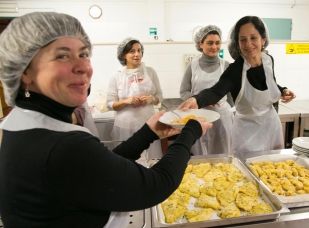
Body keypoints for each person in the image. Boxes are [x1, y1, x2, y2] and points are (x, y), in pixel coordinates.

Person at [0, 12, 211, 227]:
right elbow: (155, 186)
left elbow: (103, 168)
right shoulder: (61, 145)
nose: (83, 67)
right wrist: (190, 132)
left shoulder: (23, 124)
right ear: (25, 71)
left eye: (83, 55)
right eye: (62, 56)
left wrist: (148, 132)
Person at [178, 16, 296, 154]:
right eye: (243, 39)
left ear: (263, 40)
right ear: (237, 43)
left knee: (274, 168)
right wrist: (196, 99)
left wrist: (283, 90)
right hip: (247, 131)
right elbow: (216, 91)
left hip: (271, 125)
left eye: (253, 38)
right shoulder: (235, 70)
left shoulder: (268, 60)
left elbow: (269, 83)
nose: (248, 44)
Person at [180, 25, 233, 155]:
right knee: (200, 153)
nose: (214, 47)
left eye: (217, 43)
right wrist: (201, 101)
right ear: (201, 44)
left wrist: (230, 111)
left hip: (222, 118)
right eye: (209, 43)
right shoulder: (192, 66)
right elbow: (183, 91)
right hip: (200, 116)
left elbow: (231, 96)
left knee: (223, 152)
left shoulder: (226, 66)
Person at [107, 37, 164, 159]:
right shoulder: (116, 76)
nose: (137, 54)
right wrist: (125, 101)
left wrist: (151, 99)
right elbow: (110, 104)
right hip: (125, 126)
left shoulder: (150, 72)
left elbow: (160, 96)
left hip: (149, 124)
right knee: (127, 161)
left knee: (151, 159)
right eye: (132, 51)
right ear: (123, 54)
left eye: (139, 50)